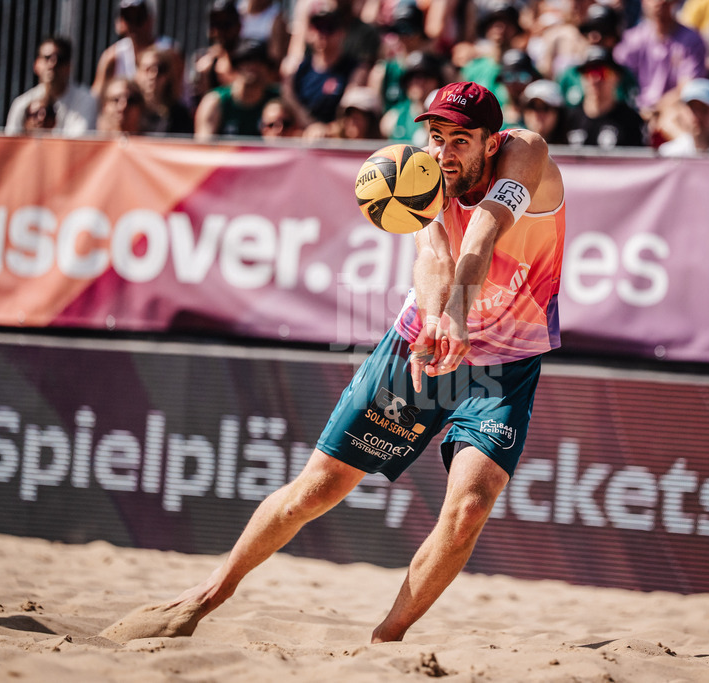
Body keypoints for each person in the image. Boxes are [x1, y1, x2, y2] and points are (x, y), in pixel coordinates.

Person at [99, 80, 566, 644]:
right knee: (317, 489)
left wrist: (456, 314)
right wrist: (434, 317)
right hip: (425, 342)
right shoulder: (421, 174)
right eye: (436, 137)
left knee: (469, 507)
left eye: (460, 141)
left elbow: (484, 233)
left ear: (491, 142)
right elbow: (434, 256)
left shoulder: (526, 152)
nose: (444, 152)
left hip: (504, 359)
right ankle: (204, 597)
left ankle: (385, 642)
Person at [614, 0, 708, 120]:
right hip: (635, 111)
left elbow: (688, 87)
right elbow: (616, 77)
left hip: (674, 112)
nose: (659, 3)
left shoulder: (691, 40)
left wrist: (655, 109)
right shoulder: (633, 39)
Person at [92, 0, 184, 103]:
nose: (133, 24)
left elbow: (178, 95)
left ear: (151, 19)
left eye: (139, 17)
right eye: (128, 17)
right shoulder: (112, 56)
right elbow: (96, 98)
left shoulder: (170, 52)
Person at [5, 36, 97, 136]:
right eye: (47, 57)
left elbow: (79, 142)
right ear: (36, 64)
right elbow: (11, 141)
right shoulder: (21, 104)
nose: (52, 64)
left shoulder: (86, 100)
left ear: (69, 66)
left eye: (60, 59)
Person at [565, 45, 646, 149]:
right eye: (588, 73)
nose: (595, 79)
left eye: (602, 72)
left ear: (617, 77)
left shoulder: (631, 121)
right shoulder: (569, 118)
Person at [195, 39, 279, 139]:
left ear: (267, 68)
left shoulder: (277, 99)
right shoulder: (216, 100)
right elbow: (204, 143)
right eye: (247, 60)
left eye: (260, 61)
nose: (253, 66)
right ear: (236, 65)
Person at [189, 0, 245, 108]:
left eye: (225, 24)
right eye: (214, 24)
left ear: (239, 26)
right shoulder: (203, 60)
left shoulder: (250, 58)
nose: (218, 31)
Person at [137, 46, 195, 135]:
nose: (154, 75)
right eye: (147, 69)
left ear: (168, 75)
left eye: (160, 69)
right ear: (138, 73)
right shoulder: (128, 106)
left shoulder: (179, 114)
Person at [519, 79, 571, 145]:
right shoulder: (511, 142)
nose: (537, 114)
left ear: (558, 113)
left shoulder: (574, 144)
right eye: (531, 107)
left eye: (544, 108)